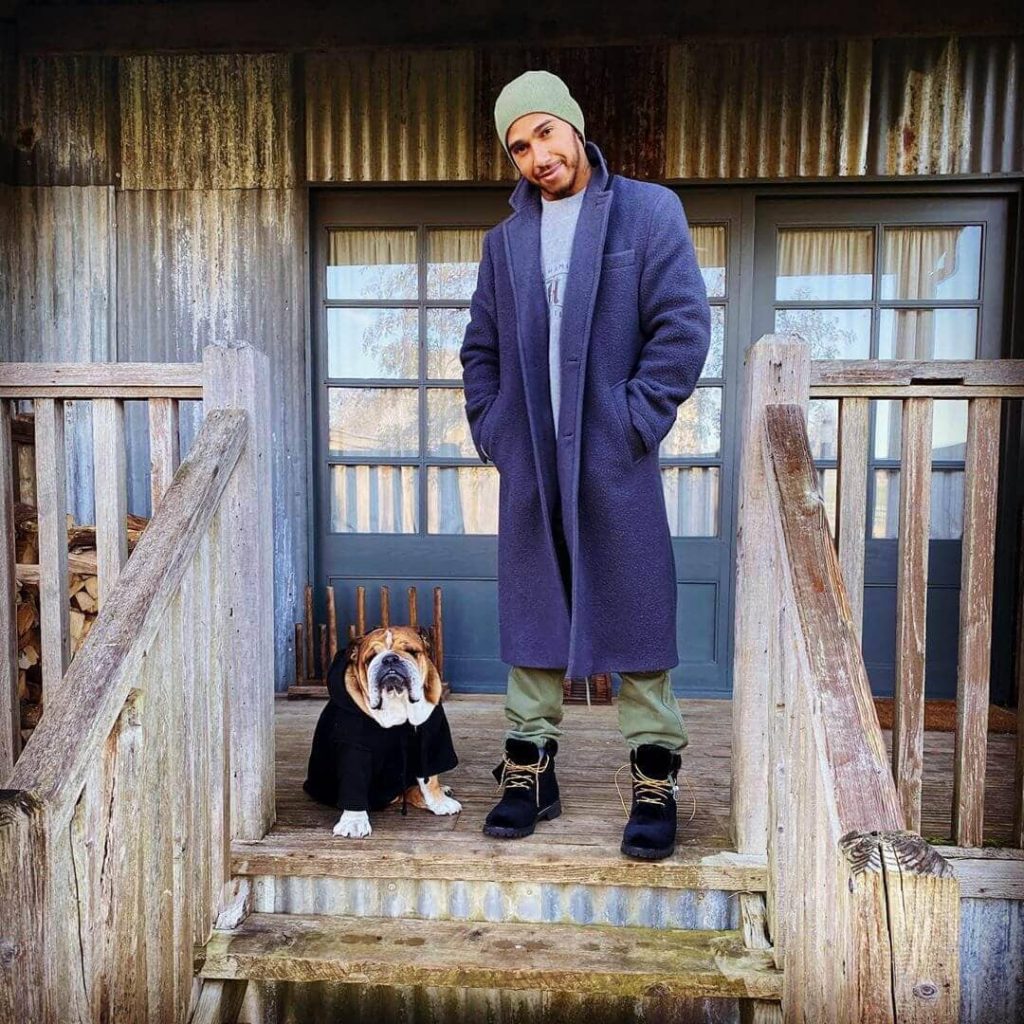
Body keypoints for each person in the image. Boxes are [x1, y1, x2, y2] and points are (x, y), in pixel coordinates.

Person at [459, 70, 711, 860]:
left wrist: (632, 422)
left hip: (612, 459)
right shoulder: (504, 243)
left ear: (573, 124)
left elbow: (682, 327)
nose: (537, 155)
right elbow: (480, 350)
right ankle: (529, 770)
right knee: (535, 616)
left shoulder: (647, 211)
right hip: (533, 461)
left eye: (545, 132)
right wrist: (498, 431)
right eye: (518, 146)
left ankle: (654, 778)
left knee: (637, 612)